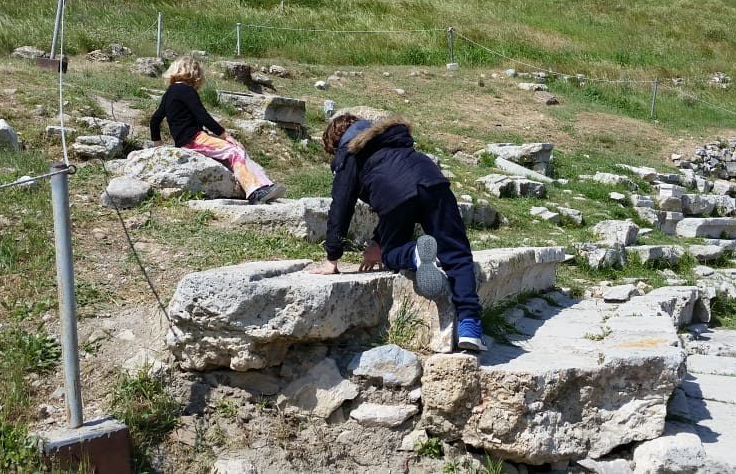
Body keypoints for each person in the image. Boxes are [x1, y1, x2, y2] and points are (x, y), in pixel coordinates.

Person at [307, 114, 485, 352]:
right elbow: (404, 176)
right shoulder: (392, 138)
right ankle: (470, 327)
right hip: (432, 180)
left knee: (391, 253)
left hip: (393, 195)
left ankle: (415, 255)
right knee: (457, 253)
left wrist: (332, 257)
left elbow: (341, 206)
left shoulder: (350, 153)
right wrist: (377, 241)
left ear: (336, 142)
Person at [150, 56, 285, 204]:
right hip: (194, 139)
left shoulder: (170, 92)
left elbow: (155, 120)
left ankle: (265, 186)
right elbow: (203, 116)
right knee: (235, 150)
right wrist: (225, 135)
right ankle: (255, 192)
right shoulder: (186, 90)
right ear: (195, 73)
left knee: (233, 152)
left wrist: (157, 145)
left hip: (185, 140)